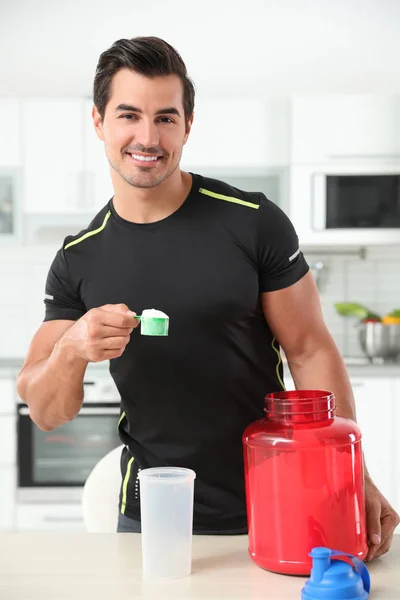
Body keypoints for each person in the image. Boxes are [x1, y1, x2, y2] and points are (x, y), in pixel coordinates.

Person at [17, 36, 399, 558]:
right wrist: (71, 349)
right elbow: (45, 410)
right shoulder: (78, 257)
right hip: (153, 519)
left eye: (166, 118)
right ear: (99, 122)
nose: (147, 137)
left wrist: (352, 477)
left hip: (279, 500)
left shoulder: (252, 222)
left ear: (188, 126)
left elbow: (310, 351)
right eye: (128, 115)